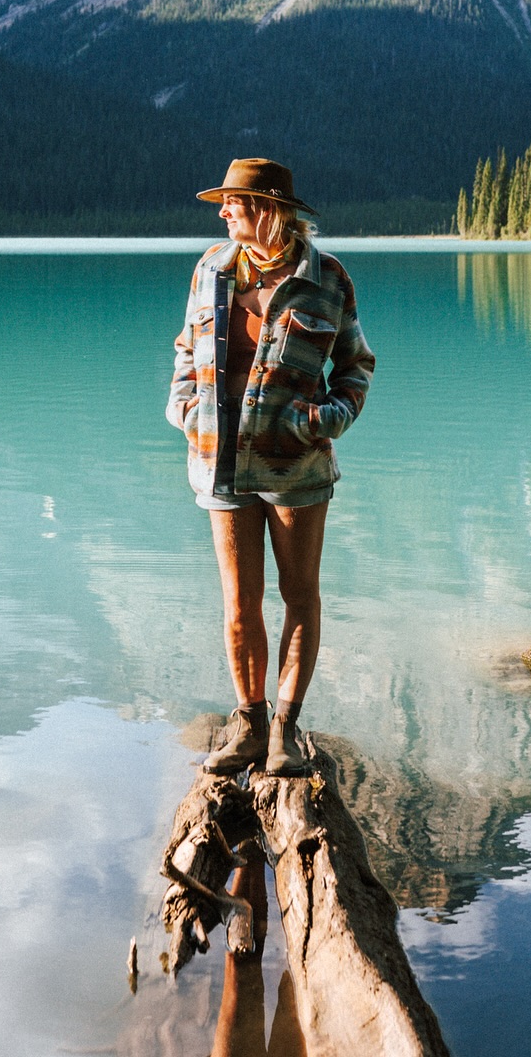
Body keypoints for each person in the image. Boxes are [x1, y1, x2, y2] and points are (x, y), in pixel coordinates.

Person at [167, 158, 375, 777]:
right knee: (240, 602)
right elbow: (186, 349)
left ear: (268, 209)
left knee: (299, 595)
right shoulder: (211, 269)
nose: (223, 213)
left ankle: (286, 724)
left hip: (296, 468)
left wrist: (324, 420)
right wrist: (184, 409)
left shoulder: (326, 279)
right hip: (220, 461)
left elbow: (356, 365)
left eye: (231, 203)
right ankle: (250, 723)